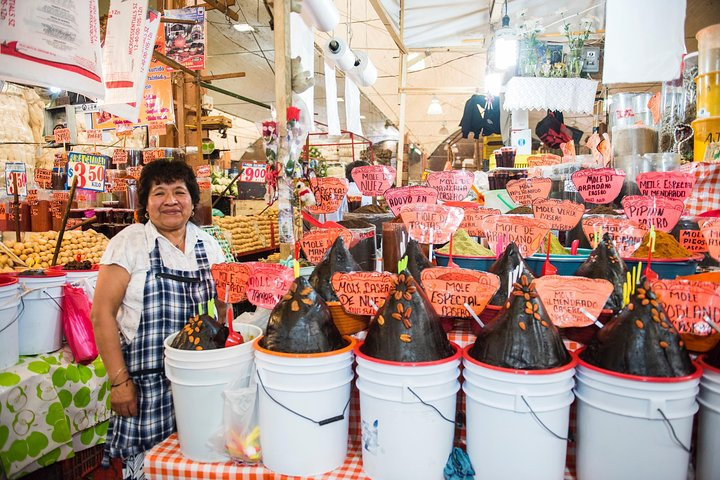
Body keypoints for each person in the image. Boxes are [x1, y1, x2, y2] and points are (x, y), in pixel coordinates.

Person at [92, 159, 227, 480]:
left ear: (193, 201)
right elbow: (101, 315)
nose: (170, 201)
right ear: (146, 202)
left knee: (196, 462)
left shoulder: (207, 244)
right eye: (159, 193)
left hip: (197, 382)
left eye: (179, 192)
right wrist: (119, 381)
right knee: (152, 469)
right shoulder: (129, 243)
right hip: (145, 386)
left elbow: (223, 310)